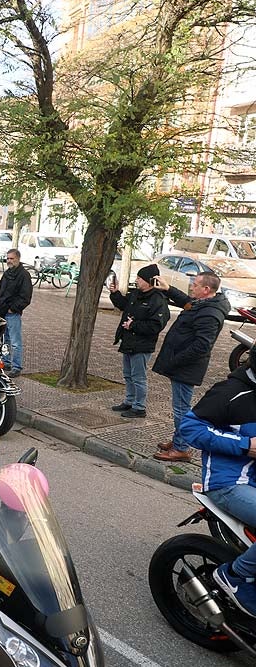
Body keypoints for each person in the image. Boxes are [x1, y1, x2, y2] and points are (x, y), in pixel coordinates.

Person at [179, 350, 256, 616]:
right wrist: (245, 446)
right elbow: (190, 428)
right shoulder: (230, 392)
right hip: (229, 484)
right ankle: (235, 576)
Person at [151, 272, 230, 461]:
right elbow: (187, 302)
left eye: (195, 285)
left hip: (186, 367)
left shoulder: (210, 313)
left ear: (206, 289)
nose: (191, 287)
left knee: (181, 409)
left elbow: (202, 345)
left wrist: (175, 360)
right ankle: (179, 439)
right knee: (181, 407)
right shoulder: (204, 304)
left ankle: (181, 448)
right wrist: (169, 289)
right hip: (182, 365)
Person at [108, 264, 170, 418]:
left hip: (142, 345)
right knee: (128, 375)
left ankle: (139, 407)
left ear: (149, 281)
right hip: (128, 341)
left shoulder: (158, 300)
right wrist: (115, 293)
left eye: (139, 278)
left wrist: (133, 325)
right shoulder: (136, 294)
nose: (136, 280)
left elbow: (156, 325)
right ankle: (129, 401)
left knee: (138, 377)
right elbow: (124, 305)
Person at [0, 249, 33, 378]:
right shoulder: (7, 273)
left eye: (12, 258)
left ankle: (17, 366)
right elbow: (0, 289)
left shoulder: (24, 275)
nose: (9, 261)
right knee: (5, 339)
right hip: (3, 311)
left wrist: (13, 309)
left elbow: (26, 296)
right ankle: (6, 362)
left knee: (16, 342)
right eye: (8, 258)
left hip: (13, 313)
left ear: (18, 259)